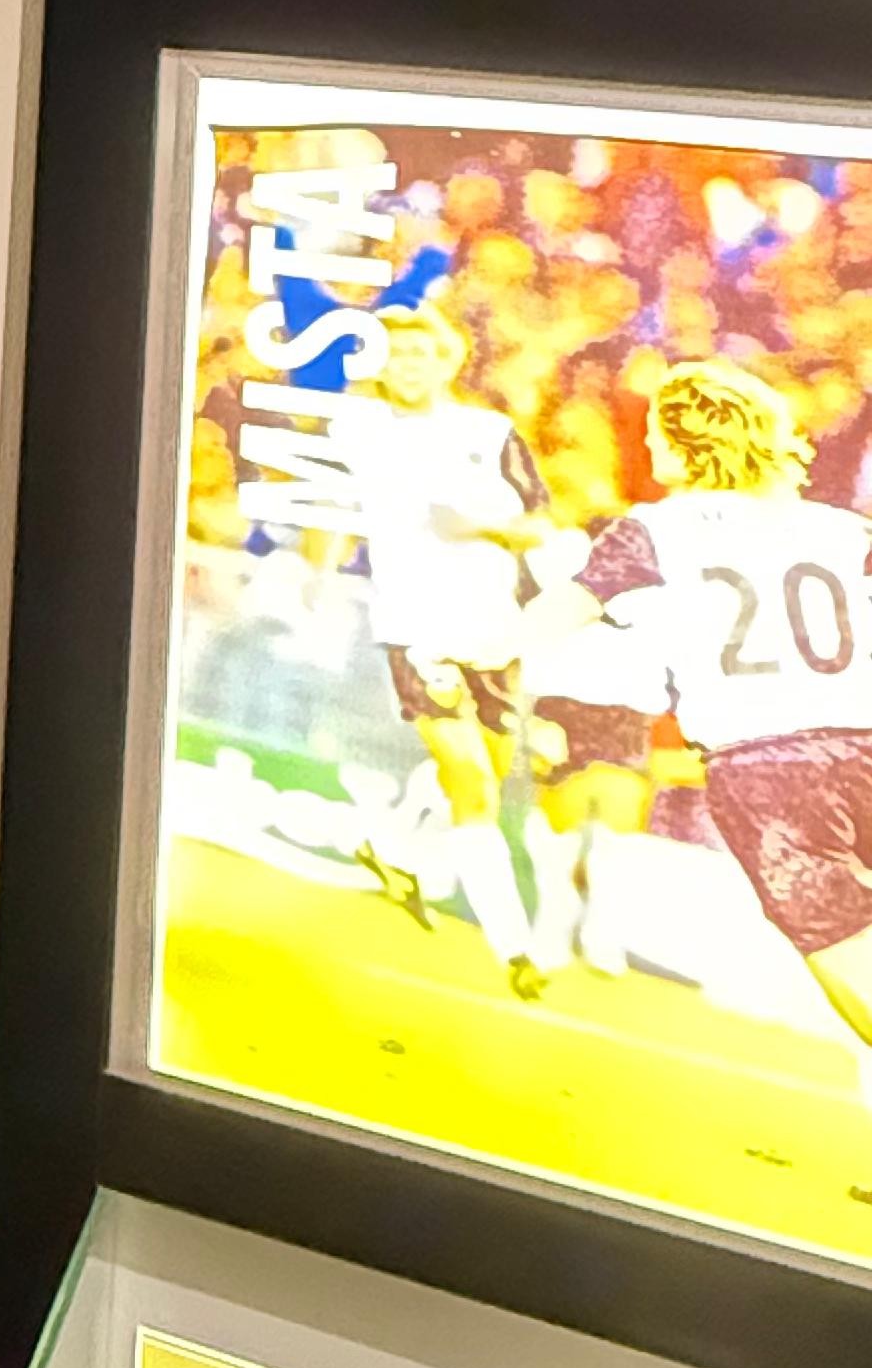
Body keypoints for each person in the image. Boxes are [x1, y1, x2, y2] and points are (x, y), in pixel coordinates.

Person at [554, 362, 872, 1068]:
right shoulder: (843, 529)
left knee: (842, 950)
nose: (646, 445)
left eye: (656, 434)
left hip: (768, 767)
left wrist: (472, 647)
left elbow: (562, 610)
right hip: (861, 741)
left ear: (689, 442)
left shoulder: (658, 531)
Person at [341, 300, 554, 992]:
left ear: (446, 361)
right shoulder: (362, 429)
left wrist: (484, 527)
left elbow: (540, 524)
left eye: (419, 352)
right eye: (395, 353)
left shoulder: (489, 433)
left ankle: (388, 845)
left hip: (492, 627)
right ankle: (517, 953)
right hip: (416, 626)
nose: (407, 365)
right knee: (475, 786)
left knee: (487, 767)